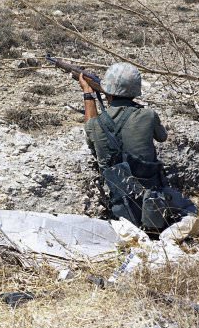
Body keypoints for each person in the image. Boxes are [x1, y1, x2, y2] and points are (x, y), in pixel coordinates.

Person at [78, 62, 192, 228]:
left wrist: (88, 95)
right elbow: (162, 136)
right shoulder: (149, 115)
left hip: (121, 209)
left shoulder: (95, 125)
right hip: (156, 206)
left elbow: (90, 131)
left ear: (107, 90)